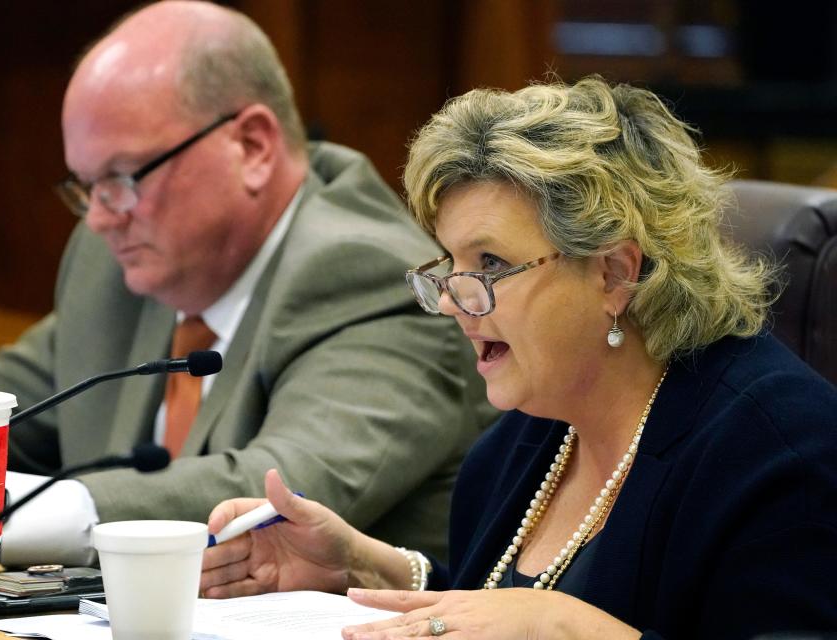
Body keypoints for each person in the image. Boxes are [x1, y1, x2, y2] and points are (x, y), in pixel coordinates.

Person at [199, 77, 837, 639]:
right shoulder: (519, 442)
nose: (452, 303)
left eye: (492, 265)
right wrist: (362, 567)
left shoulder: (785, 454)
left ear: (614, 272)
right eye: (449, 266)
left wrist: (561, 624)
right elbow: (493, 611)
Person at [0, 1, 494, 568]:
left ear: (251, 146)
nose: (98, 216)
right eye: (86, 186)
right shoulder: (119, 264)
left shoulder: (369, 277)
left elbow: (275, 492)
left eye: (124, 176)